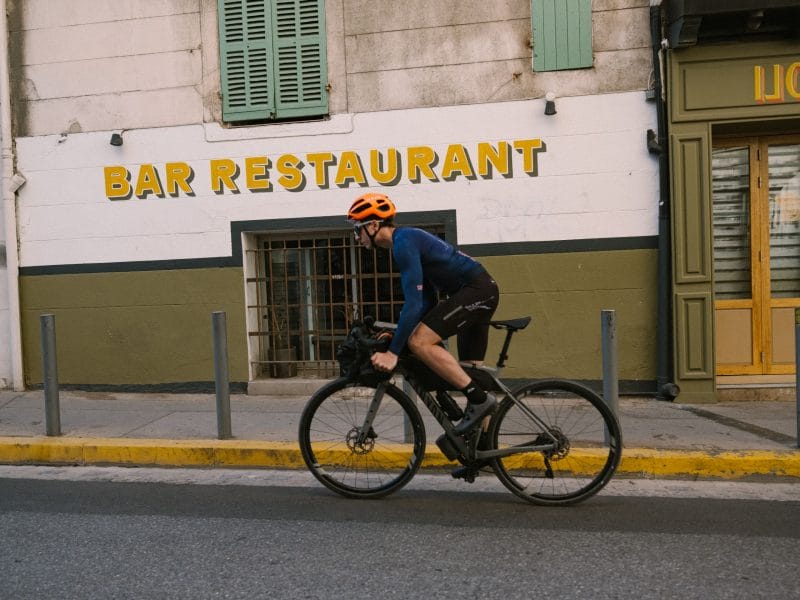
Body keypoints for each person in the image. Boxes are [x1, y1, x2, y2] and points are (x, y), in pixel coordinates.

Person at [347, 192, 499, 434]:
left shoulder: (403, 242)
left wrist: (394, 352)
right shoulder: (407, 240)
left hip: (475, 292)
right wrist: (398, 332)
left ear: (374, 225)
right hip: (479, 291)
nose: (357, 237)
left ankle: (479, 401)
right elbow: (427, 299)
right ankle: (482, 451)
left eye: (358, 229)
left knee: (419, 341)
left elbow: (414, 303)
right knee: (472, 374)